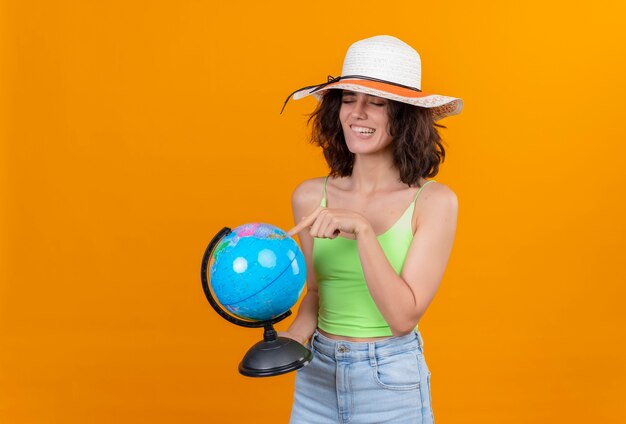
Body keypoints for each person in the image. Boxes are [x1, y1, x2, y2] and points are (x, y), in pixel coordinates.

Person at [281, 35, 463, 424]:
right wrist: (288, 343)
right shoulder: (311, 196)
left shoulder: (434, 203)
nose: (357, 113)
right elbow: (315, 293)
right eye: (348, 99)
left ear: (404, 117)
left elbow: (402, 318)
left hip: (390, 381)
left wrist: (363, 231)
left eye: (376, 103)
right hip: (317, 374)